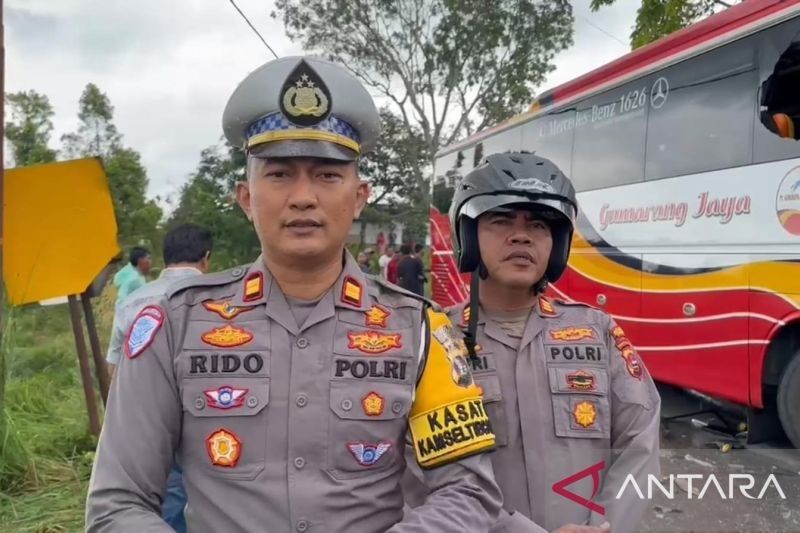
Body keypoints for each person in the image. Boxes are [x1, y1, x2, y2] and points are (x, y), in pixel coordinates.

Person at [86, 56, 501, 532]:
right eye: (280, 173)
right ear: (246, 197)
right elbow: (118, 502)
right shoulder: (174, 324)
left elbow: (467, 489)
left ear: (359, 196)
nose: (303, 197)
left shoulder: (421, 329)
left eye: (327, 174)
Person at [404, 152, 661, 533]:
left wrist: (605, 527)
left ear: (555, 244)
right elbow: (418, 472)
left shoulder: (597, 331)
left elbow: (639, 443)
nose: (521, 234)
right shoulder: (434, 340)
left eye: (538, 224)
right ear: (468, 235)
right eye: (501, 219)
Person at [104, 223, 213, 533]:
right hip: (202, 420)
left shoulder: (132, 301)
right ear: (205, 258)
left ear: (165, 258)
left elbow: (115, 364)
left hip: (143, 419)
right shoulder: (220, 303)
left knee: (148, 496)